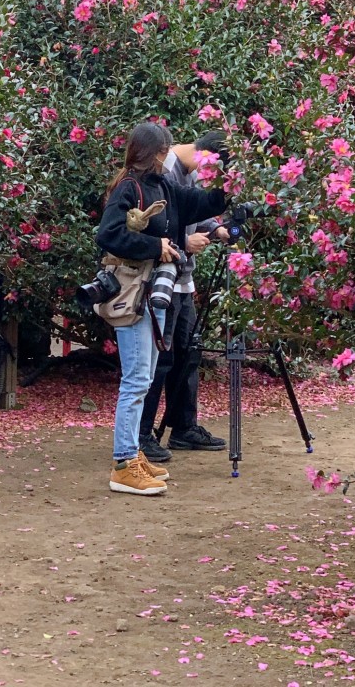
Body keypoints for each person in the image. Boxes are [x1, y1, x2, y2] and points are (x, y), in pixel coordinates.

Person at [96, 121, 226, 496]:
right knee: (136, 379)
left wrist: (227, 184)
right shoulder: (128, 188)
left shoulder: (164, 186)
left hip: (157, 293)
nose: (167, 155)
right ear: (150, 152)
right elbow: (108, 234)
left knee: (147, 373)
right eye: (162, 149)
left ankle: (133, 454)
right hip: (135, 293)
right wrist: (156, 248)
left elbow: (198, 204)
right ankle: (124, 463)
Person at [139, 133, 229, 463]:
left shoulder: (187, 172)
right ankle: (143, 434)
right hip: (162, 282)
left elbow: (191, 209)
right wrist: (184, 242)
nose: (211, 176)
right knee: (159, 361)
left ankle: (183, 427)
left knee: (188, 355)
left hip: (183, 281)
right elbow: (155, 223)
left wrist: (216, 228)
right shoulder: (164, 171)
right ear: (205, 155)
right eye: (214, 167)